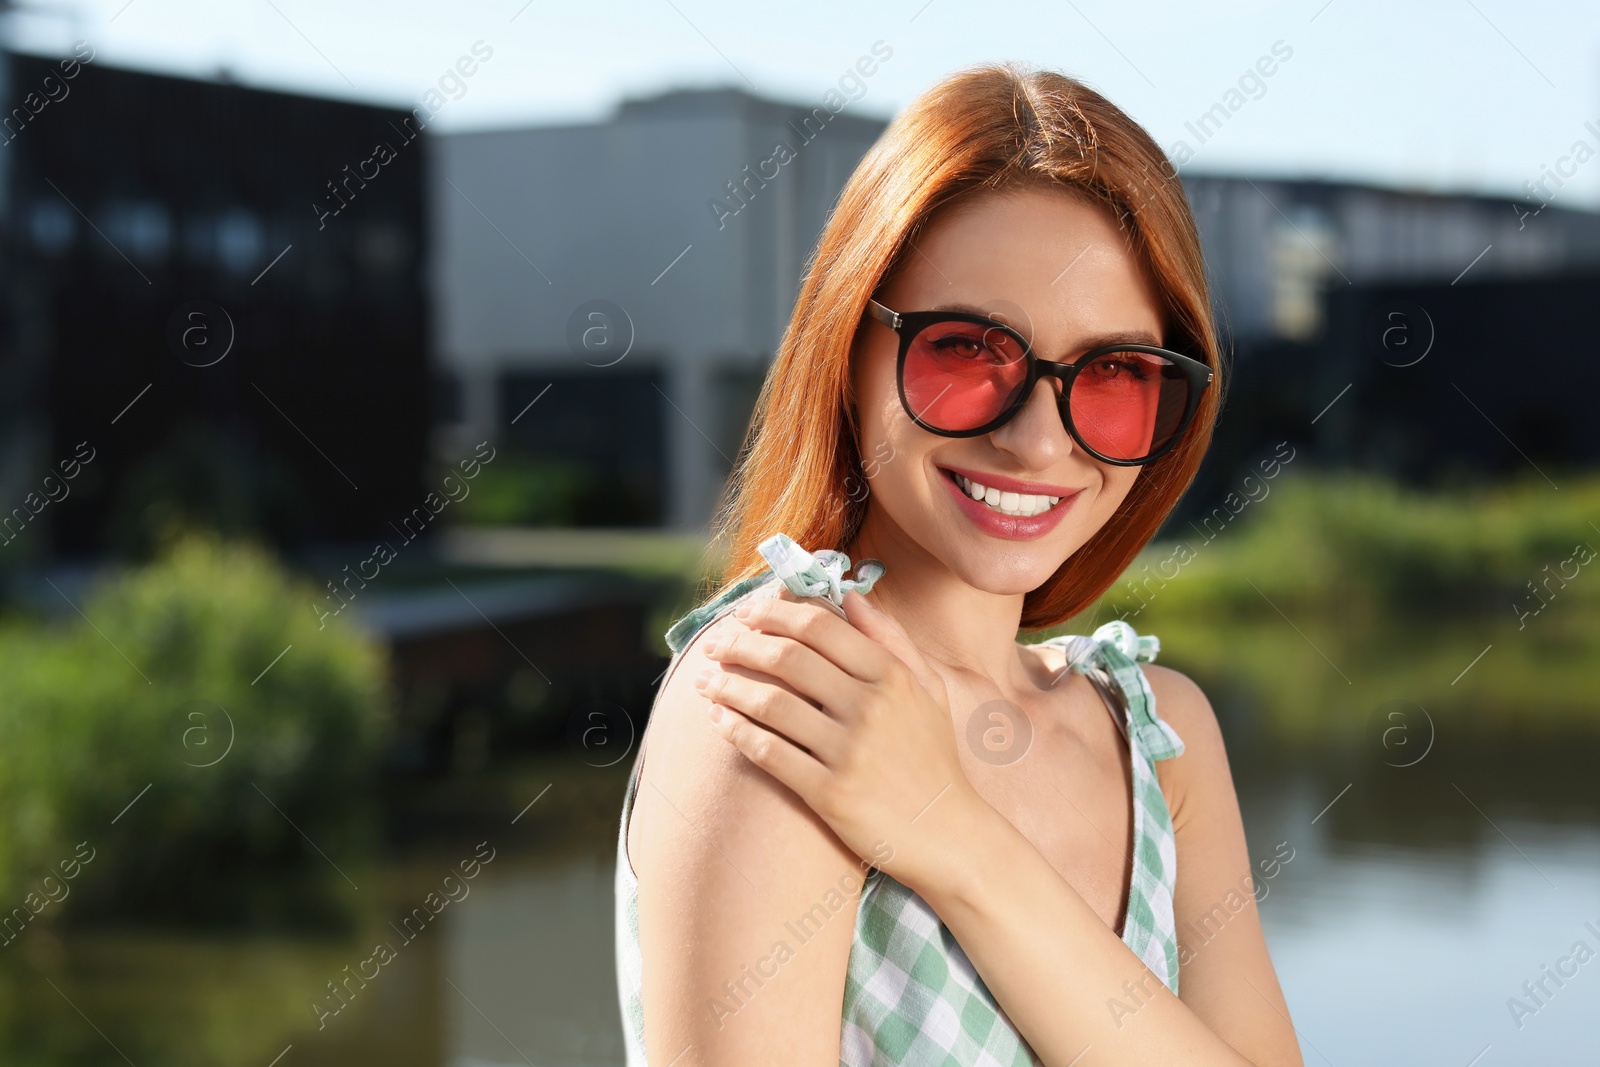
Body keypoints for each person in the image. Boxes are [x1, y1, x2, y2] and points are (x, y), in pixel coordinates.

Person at [615, 61, 1303, 1066]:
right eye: (968, 351)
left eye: (1114, 373)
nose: (1035, 442)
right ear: (848, 346)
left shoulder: (1162, 738)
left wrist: (958, 843)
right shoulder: (782, 692)